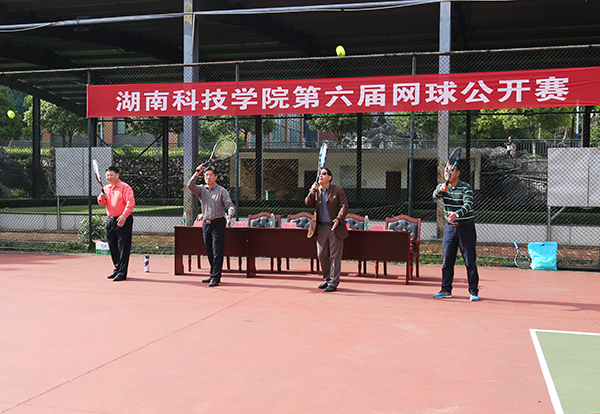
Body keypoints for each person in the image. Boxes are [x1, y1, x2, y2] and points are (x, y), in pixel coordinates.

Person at [432, 161, 480, 301]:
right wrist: (440, 190)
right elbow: (434, 196)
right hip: (449, 229)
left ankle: (473, 292)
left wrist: (457, 214)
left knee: (470, 261)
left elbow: (468, 204)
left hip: (466, 228)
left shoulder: (466, 188)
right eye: (446, 171)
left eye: (451, 170)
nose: (448, 173)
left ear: (458, 173)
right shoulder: (443, 187)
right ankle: (446, 290)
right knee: (447, 260)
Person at [187, 165, 235, 287]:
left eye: (211, 175)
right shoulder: (201, 189)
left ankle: (216, 277)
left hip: (218, 224)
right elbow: (190, 186)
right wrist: (197, 173)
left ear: (216, 177)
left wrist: (230, 215)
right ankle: (213, 273)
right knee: (209, 251)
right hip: (206, 224)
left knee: (217, 251)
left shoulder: (222, 191)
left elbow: (230, 205)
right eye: (206, 175)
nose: (208, 177)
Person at [305, 167, 349, 292]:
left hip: (334, 227)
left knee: (334, 256)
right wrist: (311, 192)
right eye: (320, 174)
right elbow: (308, 203)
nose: (321, 176)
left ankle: (333, 282)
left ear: (330, 177)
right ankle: (327, 279)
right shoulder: (316, 190)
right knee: (321, 254)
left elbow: (344, 206)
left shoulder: (338, 189)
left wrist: (339, 219)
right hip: (321, 227)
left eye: (324, 174)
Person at [97, 166, 135, 282]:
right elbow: (102, 202)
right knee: (113, 246)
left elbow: (130, 203)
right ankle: (118, 269)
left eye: (111, 175)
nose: (109, 177)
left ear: (117, 175)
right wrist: (101, 198)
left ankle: (122, 273)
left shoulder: (125, 187)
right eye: (107, 175)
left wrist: (124, 216)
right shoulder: (106, 188)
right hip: (110, 220)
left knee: (123, 247)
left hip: (123, 220)